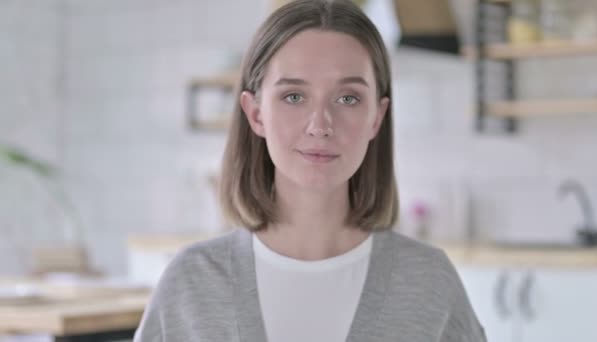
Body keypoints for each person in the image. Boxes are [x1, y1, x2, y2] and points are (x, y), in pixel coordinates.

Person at [134, 0, 486, 341]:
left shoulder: (429, 283)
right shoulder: (191, 283)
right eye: (294, 97)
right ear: (255, 114)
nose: (320, 125)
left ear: (376, 118)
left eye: (348, 98)